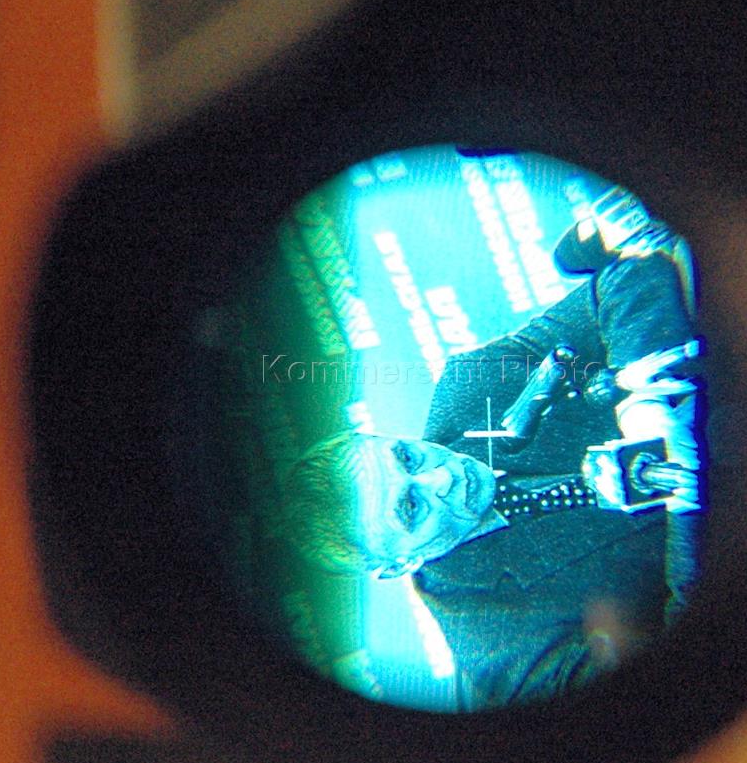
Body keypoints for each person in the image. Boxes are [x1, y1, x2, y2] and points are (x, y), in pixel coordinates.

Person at [281, 201, 704, 709]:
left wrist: (648, 402)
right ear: (397, 565)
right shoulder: (496, 648)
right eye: (411, 506)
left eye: (407, 458)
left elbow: (622, 277)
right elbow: (669, 686)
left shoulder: (469, 385)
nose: (441, 477)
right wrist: (688, 503)